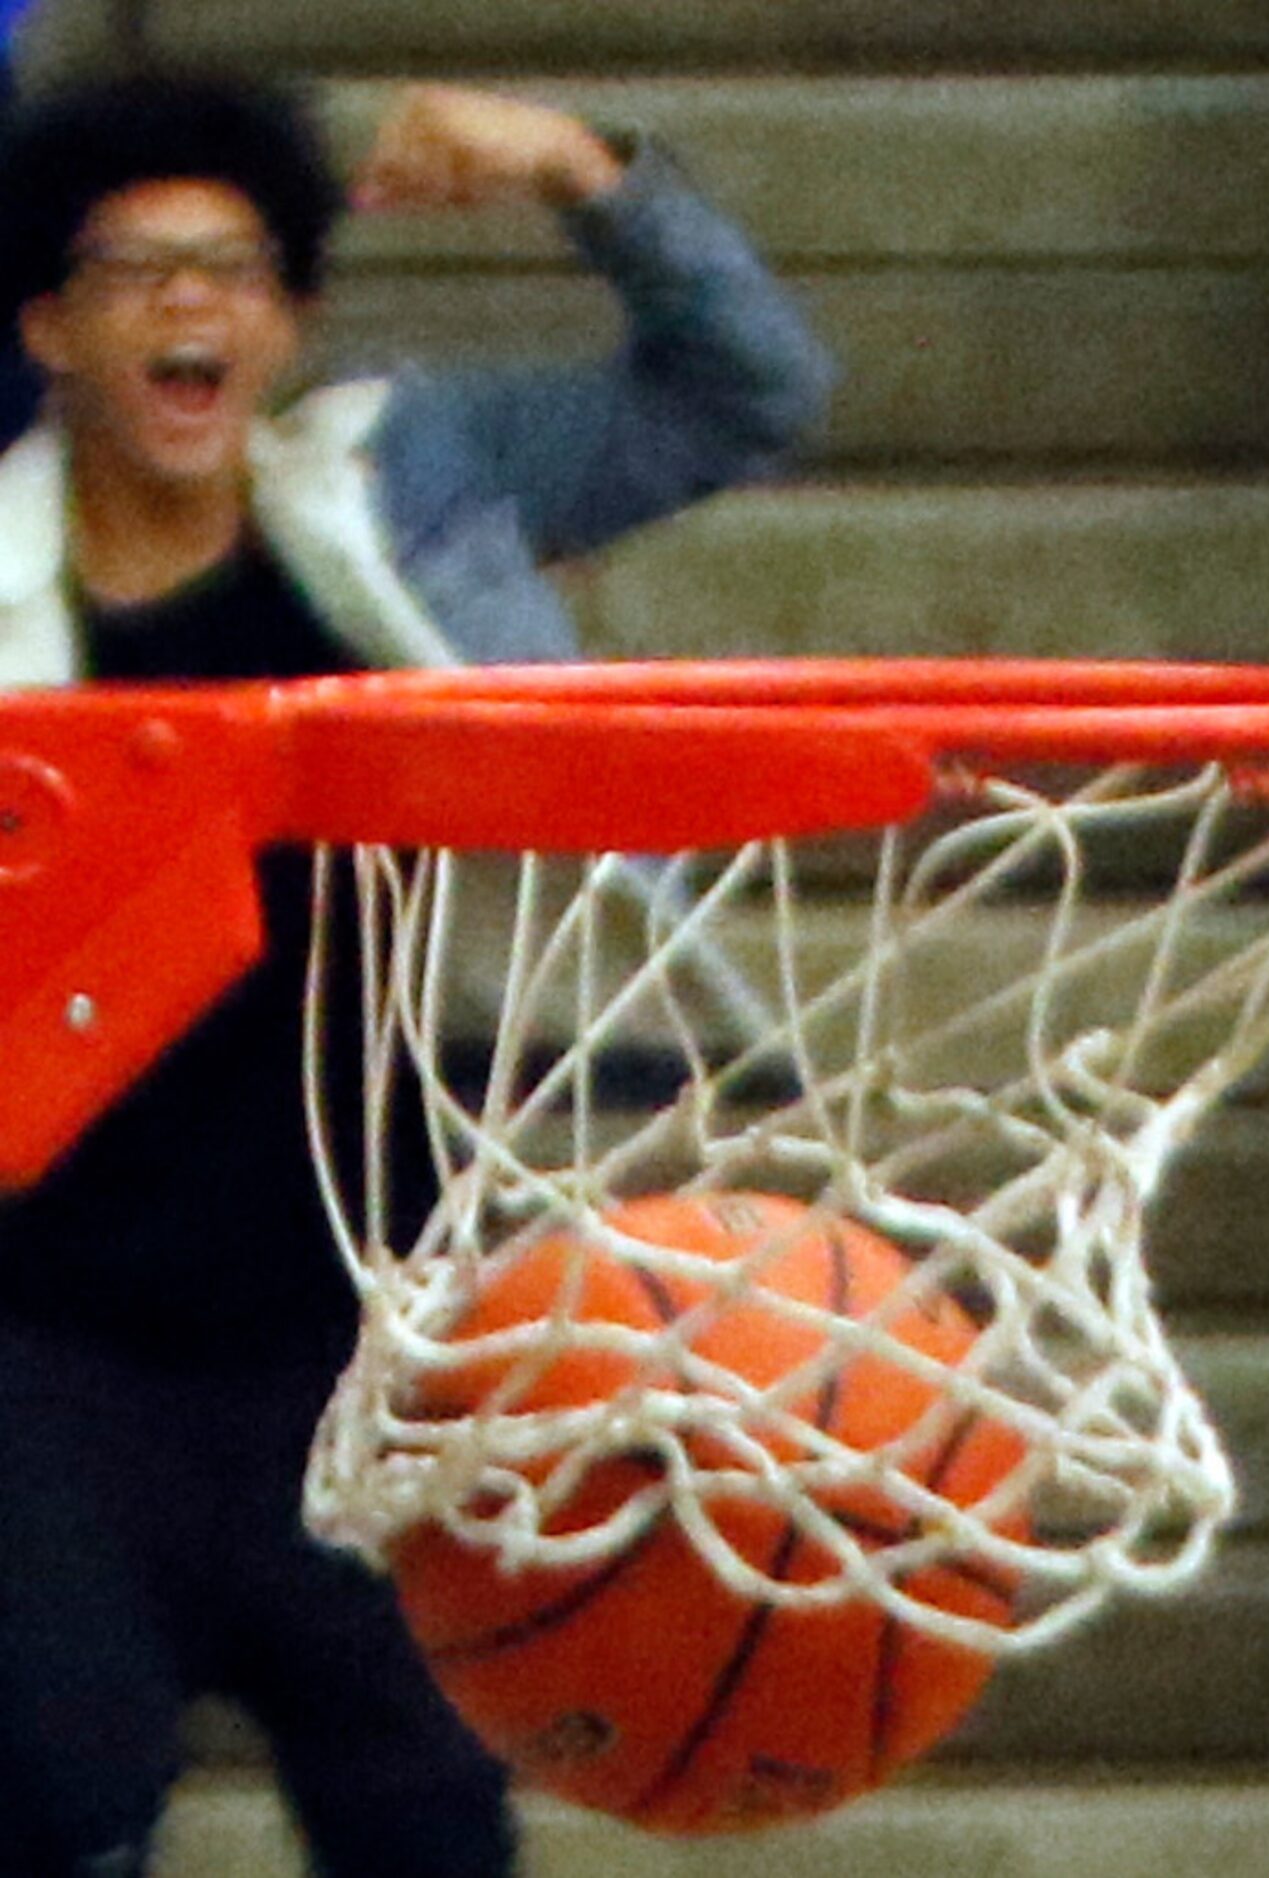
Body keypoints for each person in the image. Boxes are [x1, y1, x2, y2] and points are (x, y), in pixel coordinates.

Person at [0, 73, 831, 1877]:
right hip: (41, 1325)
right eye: (134, 270)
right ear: (48, 323)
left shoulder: (403, 487)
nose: (188, 306)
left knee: (430, 1822)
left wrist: (583, 172)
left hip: (372, 1312)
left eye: (229, 267)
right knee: (49, 1798)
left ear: (289, 315)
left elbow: (752, 392)